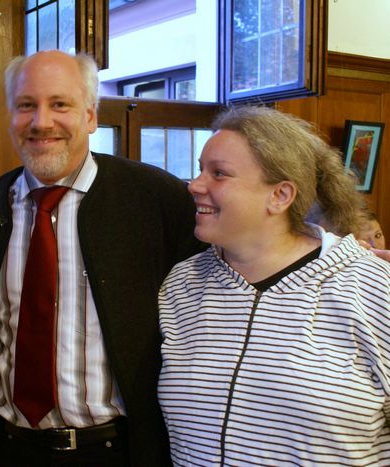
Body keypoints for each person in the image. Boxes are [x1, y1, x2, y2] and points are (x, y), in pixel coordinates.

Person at [0, 49, 202, 467]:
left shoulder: (157, 201)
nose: (41, 122)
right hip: (6, 447)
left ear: (90, 116)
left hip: (114, 451)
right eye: (26, 105)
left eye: (60, 104)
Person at [158, 105, 390, 466]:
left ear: (280, 196)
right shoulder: (182, 285)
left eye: (219, 173)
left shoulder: (372, 288)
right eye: (200, 169)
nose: (194, 185)